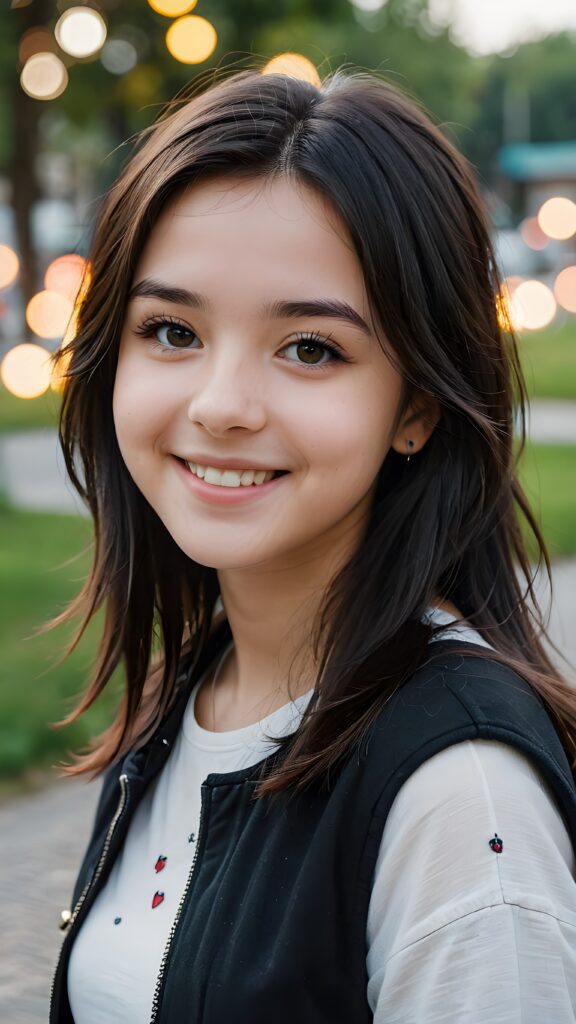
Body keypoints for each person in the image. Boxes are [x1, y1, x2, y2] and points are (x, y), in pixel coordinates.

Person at [48, 67, 576, 1023]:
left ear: (417, 403)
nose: (220, 406)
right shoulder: (194, 692)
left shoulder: (462, 797)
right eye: (171, 330)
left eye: (310, 349)